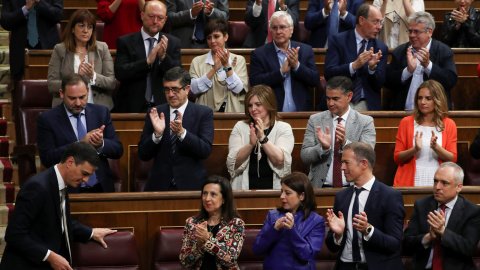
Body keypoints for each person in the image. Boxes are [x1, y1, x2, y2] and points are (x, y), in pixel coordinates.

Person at [0, 142, 117, 270]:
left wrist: (91, 232)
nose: (86, 180)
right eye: (84, 173)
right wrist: (50, 256)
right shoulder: (37, 187)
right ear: (70, 162)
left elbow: (60, 222)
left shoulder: (60, 183)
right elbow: (14, 234)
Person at [37, 73, 123, 193]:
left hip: (101, 189)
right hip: (68, 191)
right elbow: (47, 158)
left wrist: (101, 144)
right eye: (72, 98)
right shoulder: (47, 119)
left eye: (82, 97)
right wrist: (79, 145)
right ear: (61, 94)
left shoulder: (101, 113)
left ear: (88, 91)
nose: (78, 103)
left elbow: (118, 150)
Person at [325, 142, 406, 270]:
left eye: (347, 163)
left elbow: (394, 243)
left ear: (363, 164)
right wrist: (338, 236)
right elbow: (331, 246)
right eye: (342, 163)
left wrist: (368, 230)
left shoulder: (390, 196)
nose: (342, 167)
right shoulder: (341, 197)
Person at [137, 67, 214, 191]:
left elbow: (205, 150)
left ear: (187, 89)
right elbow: (143, 154)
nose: (171, 94)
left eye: (175, 89)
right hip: (159, 186)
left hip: (191, 186)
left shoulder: (203, 113)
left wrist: (182, 133)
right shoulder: (155, 113)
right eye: (167, 89)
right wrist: (156, 135)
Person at [301, 76, 376, 188]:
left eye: (335, 99)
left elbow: (368, 155)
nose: (330, 103)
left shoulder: (365, 122)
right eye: (328, 98)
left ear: (349, 96)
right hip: (320, 188)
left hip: (353, 187)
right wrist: (323, 148)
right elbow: (305, 156)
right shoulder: (315, 120)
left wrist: (345, 143)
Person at [403, 162, 480, 270]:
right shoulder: (421, 205)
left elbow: (468, 248)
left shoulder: (472, 211)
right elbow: (406, 244)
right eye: (435, 181)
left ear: (459, 187)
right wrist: (428, 237)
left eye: (444, 183)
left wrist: (443, 232)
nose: (437, 187)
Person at [114, 0, 182, 113]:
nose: (155, 21)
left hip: (163, 106)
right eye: (151, 16)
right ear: (142, 15)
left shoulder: (173, 42)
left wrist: (163, 57)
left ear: (165, 20)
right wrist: (147, 62)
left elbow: (178, 76)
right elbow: (120, 73)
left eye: (160, 18)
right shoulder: (125, 41)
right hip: (131, 107)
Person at [385, 11, 458, 111]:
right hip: (404, 113)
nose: (412, 35)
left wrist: (428, 66)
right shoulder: (400, 51)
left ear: (429, 32)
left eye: (417, 32)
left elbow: (451, 80)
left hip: (435, 114)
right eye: (410, 31)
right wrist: (408, 71)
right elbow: (387, 81)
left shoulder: (444, 51)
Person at [252, 172, 326, 269]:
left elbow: (307, 255)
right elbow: (257, 250)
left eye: (287, 193)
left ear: (302, 196)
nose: (282, 196)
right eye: (281, 191)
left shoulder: (316, 221)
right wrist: (273, 230)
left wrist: (292, 230)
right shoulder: (273, 216)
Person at [227, 85, 294, 190]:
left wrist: (263, 138)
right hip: (243, 191)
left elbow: (280, 160)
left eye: (258, 104)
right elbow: (233, 161)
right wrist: (250, 145)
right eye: (250, 105)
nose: (253, 109)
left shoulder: (283, 128)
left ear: (269, 104)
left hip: (275, 191)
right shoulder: (240, 127)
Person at [249, 11, 320, 112]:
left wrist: (297, 66)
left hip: (301, 113)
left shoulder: (305, 50)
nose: (278, 31)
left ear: (291, 29)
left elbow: (315, 80)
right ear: (270, 30)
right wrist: (280, 72)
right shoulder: (259, 54)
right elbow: (255, 82)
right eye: (274, 28)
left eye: (282, 27)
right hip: (272, 113)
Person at [48, 9, 116, 111]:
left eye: (89, 27)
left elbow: (111, 83)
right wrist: (76, 77)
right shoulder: (60, 50)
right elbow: (51, 85)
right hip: (67, 108)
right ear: (72, 29)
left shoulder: (102, 48)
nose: (85, 30)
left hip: (98, 108)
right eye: (81, 26)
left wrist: (93, 76)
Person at [324, 3, 387, 111]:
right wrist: (353, 66)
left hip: (366, 103)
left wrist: (372, 69)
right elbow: (329, 73)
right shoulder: (338, 41)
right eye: (375, 22)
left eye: (380, 22)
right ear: (362, 20)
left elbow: (379, 85)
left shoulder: (380, 48)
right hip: (339, 101)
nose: (379, 27)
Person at [393, 80, 457, 187]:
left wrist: (436, 147)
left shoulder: (449, 124)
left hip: (438, 180)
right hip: (409, 179)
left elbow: (453, 159)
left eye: (428, 98)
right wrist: (415, 149)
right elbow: (397, 157)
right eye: (419, 98)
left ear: (437, 100)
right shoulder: (406, 122)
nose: (422, 102)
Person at [179, 176, 245, 269]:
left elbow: (230, 260)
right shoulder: (192, 223)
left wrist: (208, 240)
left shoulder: (235, 224)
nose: (207, 199)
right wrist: (198, 246)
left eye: (213, 194)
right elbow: (185, 263)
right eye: (205, 193)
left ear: (224, 199)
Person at [189, 19, 249, 113]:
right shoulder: (197, 61)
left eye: (216, 36)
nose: (212, 41)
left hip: (231, 112)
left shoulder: (239, 60)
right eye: (209, 38)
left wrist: (227, 66)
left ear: (226, 37)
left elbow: (238, 89)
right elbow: (194, 89)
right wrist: (214, 69)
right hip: (205, 113)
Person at [0, 0, 62, 82]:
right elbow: (5, 22)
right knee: (21, 90)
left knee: (51, 87)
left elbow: (58, 15)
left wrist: (39, 3)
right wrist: (25, 9)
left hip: (48, 49)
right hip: (20, 51)